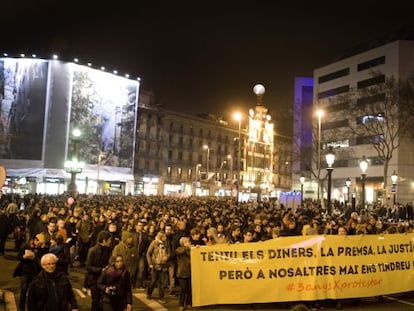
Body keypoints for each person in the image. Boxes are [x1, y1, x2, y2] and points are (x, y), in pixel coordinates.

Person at [86, 230, 113, 311]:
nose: (110, 242)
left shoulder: (108, 250)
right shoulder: (92, 251)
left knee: (102, 300)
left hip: (103, 279)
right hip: (93, 279)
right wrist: (101, 270)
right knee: (96, 300)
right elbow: (88, 266)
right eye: (109, 240)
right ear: (104, 240)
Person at [146, 231, 170, 303]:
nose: (165, 238)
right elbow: (148, 253)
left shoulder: (166, 243)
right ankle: (149, 293)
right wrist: (150, 263)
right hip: (155, 265)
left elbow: (169, 252)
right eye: (164, 236)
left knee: (161, 282)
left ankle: (161, 297)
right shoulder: (154, 243)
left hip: (163, 264)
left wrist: (167, 257)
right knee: (153, 281)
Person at [175, 236, 192, 311]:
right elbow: (179, 252)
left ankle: (188, 303)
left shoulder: (190, 250)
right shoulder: (180, 249)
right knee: (183, 289)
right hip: (182, 272)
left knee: (189, 289)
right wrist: (187, 247)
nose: (189, 243)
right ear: (183, 243)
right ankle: (181, 304)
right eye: (187, 242)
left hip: (190, 272)